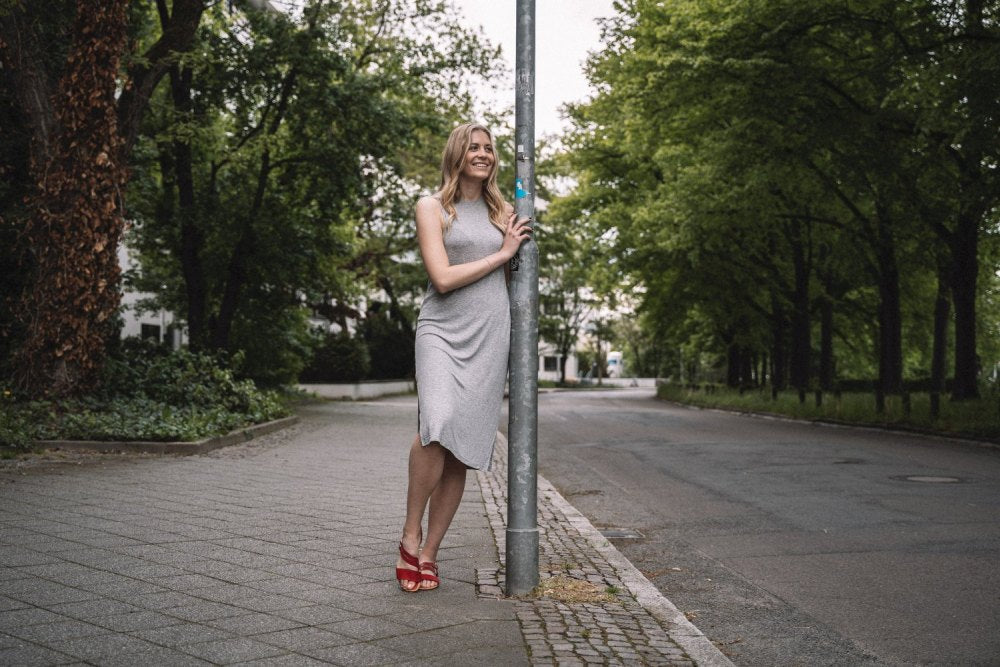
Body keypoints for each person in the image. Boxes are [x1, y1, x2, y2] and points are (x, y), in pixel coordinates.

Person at [394, 122, 532, 592]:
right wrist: (503, 253)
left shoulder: (505, 212)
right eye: (474, 147)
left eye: (489, 148)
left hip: (490, 332)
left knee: (462, 450)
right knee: (437, 424)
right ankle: (410, 535)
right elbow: (442, 277)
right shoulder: (431, 207)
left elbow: (513, 280)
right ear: (457, 154)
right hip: (441, 328)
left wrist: (511, 251)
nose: (483, 154)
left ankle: (430, 554)